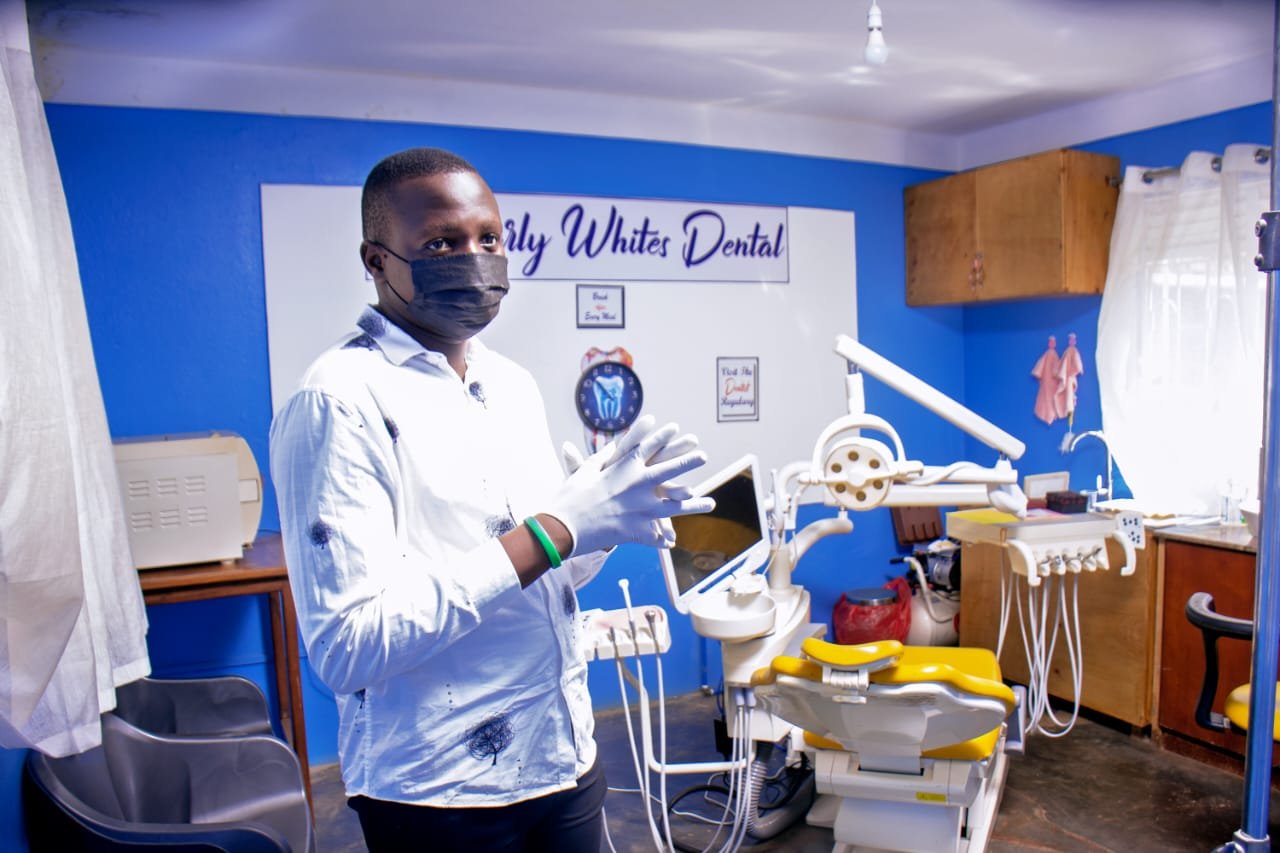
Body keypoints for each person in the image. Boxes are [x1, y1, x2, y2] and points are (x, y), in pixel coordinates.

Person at [269, 146, 712, 852]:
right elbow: (348, 648)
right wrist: (555, 528)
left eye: (489, 239)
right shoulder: (339, 402)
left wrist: (598, 526)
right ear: (377, 260)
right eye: (441, 243)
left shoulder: (509, 384)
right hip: (443, 789)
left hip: (562, 754)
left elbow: (537, 573)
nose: (474, 259)